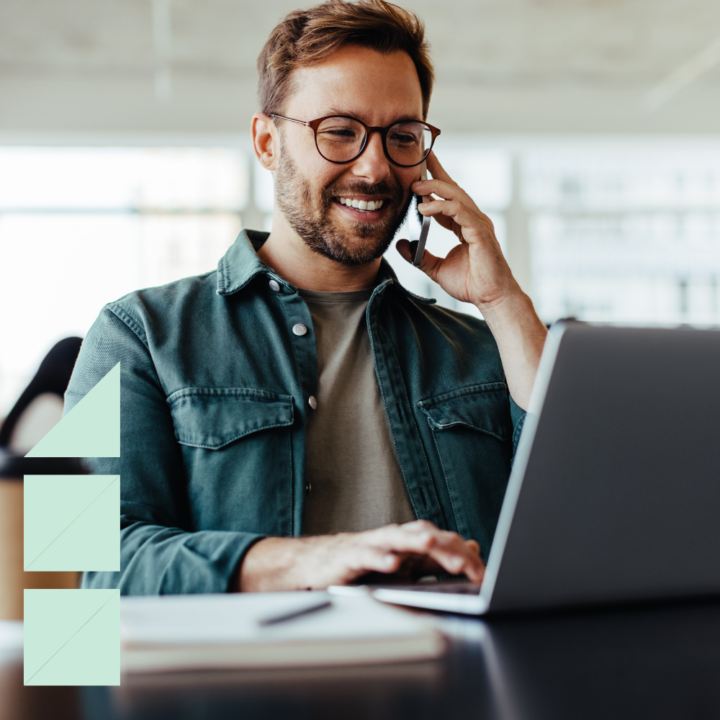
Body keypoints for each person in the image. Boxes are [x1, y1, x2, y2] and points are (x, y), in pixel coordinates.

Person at [70, 0, 548, 595]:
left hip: (462, 683)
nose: (375, 168)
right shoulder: (132, 334)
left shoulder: (484, 347)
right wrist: (309, 560)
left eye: (402, 136)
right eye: (340, 132)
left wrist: (503, 300)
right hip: (252, 685)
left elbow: (585, 520)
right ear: (268, 142)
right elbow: (83, 568)